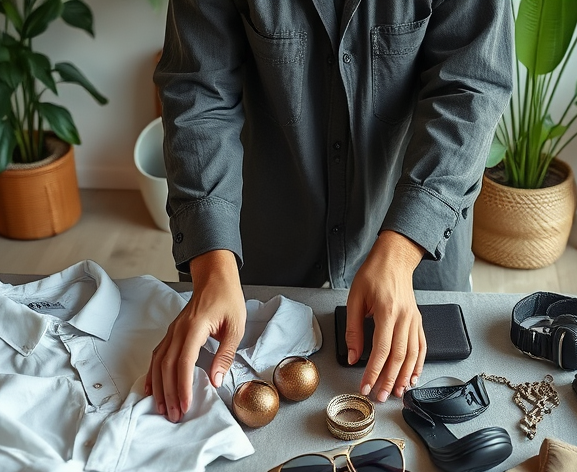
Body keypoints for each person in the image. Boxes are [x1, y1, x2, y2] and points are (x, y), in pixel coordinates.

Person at [148, 0, 514, 422]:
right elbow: (198, 91)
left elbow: (471, 88)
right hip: (264, 237)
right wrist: (212, 267)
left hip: (416, 239)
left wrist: (401, 252)